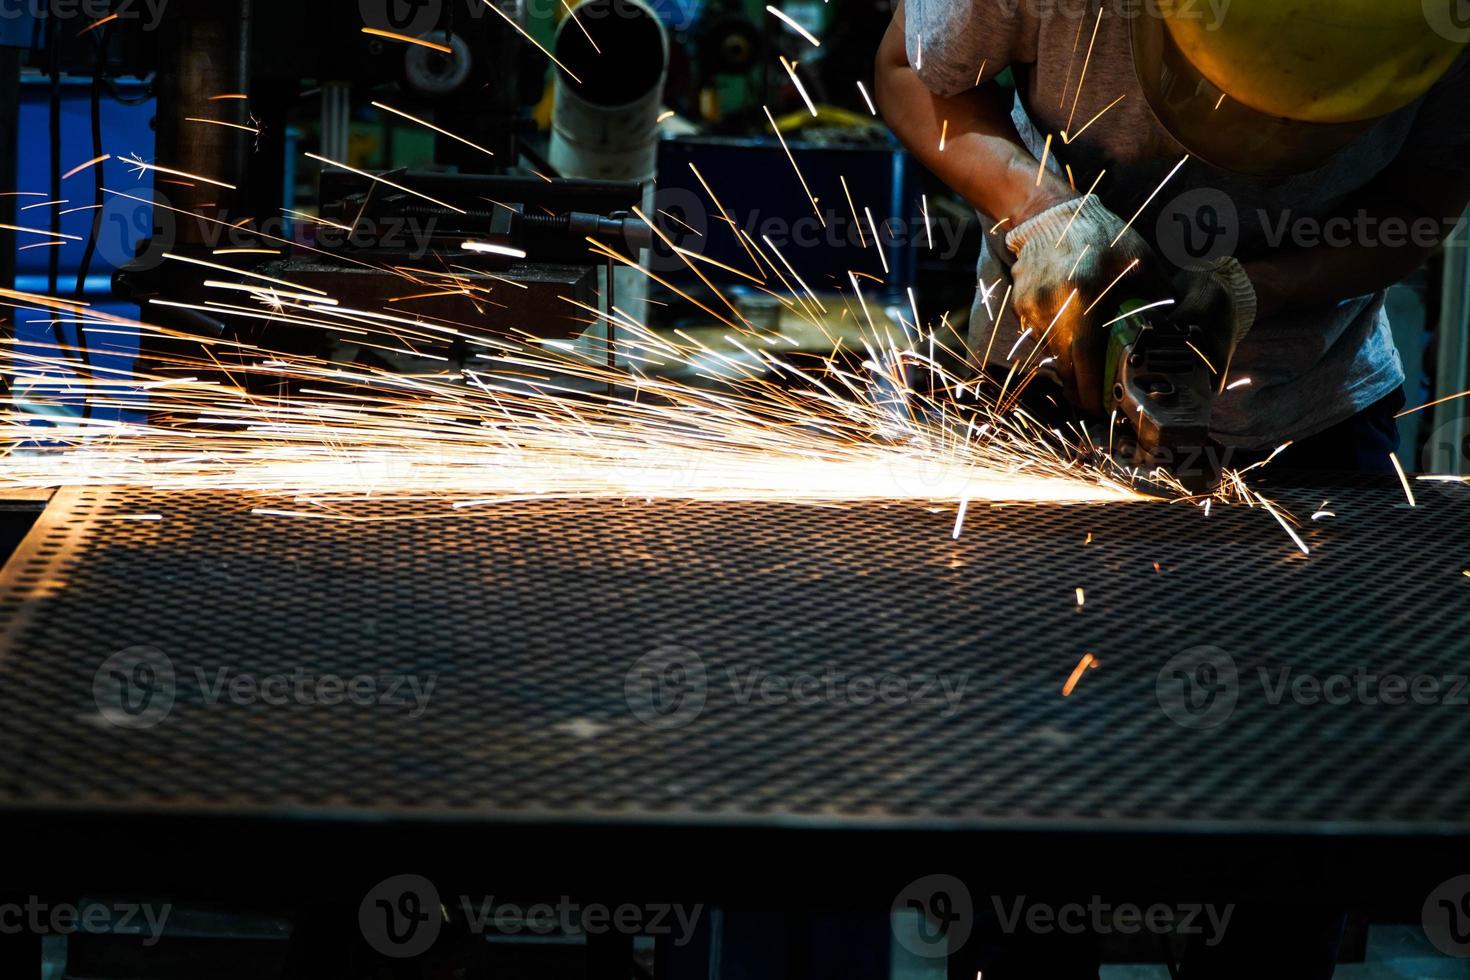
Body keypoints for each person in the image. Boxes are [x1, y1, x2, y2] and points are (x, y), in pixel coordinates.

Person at [874, 0, 1470, 477]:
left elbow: (1418, 206)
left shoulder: (1446, 26)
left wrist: (1255, 291)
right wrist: (1041, 209)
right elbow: (909, 70)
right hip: (1033, 391)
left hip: (1314, 416)